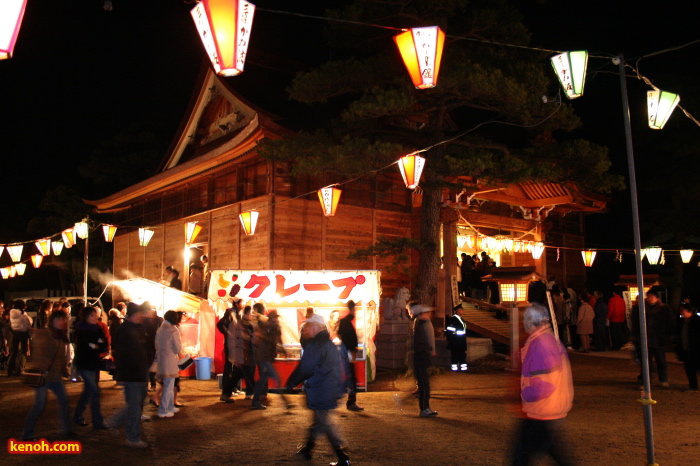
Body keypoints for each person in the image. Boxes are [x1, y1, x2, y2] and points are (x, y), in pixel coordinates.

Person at [511, 304, 574, 466]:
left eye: (525, 318)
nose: (523, 321)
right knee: (547, 448)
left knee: (523, 453)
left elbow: (545, 381)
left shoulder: (540, 343)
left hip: (542, 407)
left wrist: (525, 393)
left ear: (532, 321)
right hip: (548, 407)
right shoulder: (547, 338)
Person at [287, 314, 349, 466]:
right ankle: (307, 450)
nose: (307, 329)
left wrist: (291, 382)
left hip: (321, 388)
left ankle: (343, 457)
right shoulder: (327, 343)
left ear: (318, 327)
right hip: (328, 386)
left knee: (324, 423)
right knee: (319, 420)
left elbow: (306, 367)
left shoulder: (316, 344)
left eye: (310, 326)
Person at [22, 311, 75, 440]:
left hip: (55, 377)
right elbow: (36, 340)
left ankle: (66, 429)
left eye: (63, 319)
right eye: (58, 319)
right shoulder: (44, 333)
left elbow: (61, 357)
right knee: (39, 405)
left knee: (63, 401)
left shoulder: (62, 336)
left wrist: (63, 369)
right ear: (52, 321)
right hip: (43, 376)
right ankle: (27, 434)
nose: (61, 322)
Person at [107, 302, 150, 448]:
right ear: (133, 315)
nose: (142, 316)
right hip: (131, 374)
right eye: (140, 314)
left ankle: (112, 422)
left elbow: (144, 349)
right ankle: (132, 437)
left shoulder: (139, 328)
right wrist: (123, 372)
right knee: (134, 407)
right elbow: (121, 353)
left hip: (140, 372)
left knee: (136, 404)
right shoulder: (124, 330)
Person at [73, 306, 109, 429]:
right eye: (92, 316)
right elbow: (85, 347)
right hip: (84, 364)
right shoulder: (82, 330)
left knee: (88, 392)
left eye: (96, 315)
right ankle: (98, 422)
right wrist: (96, 345)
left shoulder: (98, 328)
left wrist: (96, 346)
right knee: (94, 391)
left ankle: (77, 417)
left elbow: (102, 344)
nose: (95, 318)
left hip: (94, 363)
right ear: (86, 317)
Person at [631, 288, 674, 388]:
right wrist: (635, 336)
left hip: (659, 339)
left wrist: (668, 336)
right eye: (648, 296)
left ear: (657, 298)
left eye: (652, 297)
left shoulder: (664, 309)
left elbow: (669, 324)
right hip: (645, 339)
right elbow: (635, 324)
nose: (650, 298)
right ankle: (647, 381)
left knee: (661, 360)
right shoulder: (640, 308)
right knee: (646, 362)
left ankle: (663, 379)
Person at [252, 304, 282, 410]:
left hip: (267, 358)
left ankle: (255, 401)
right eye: (275, 318)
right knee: (274, 378)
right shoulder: (267, 327)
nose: (277, 319)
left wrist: (281, 347)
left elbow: (278, 340)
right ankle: (286, 402)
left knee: (263, 380)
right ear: (272, 318)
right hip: (264, 358)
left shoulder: (274, 328)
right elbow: (267, 340)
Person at [155, 310, 185, 418]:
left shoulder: (160, 329)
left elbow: (156, 345)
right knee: (169, 386)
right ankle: (163, 410)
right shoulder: (173, 330)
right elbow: (177, 348)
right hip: (170, 360)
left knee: (169, 385)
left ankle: (170, 406)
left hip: (161, 360)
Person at [411, 304, 437, 417]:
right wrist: (430, 351)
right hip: (421, 357)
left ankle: (425, 408)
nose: (429, 315)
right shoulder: (421, 325)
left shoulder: (420, 324)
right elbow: (424, 342)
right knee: (424, 384)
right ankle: (424, 409)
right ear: (420, 314)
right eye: (426, 313)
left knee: (424, 383)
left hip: (421, 357)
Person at [338, 300, 364, 411]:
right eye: (355, 310)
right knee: (351, 378)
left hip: (347, 353)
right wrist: (351, 353)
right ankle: (350, 402)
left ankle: (349, 401)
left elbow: (340, 334)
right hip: (348, 353)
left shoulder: (345, 322)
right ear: (353, 310)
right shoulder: (345, 322)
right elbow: (347, 339)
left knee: (349, 378)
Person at [677, 303, 700, 391]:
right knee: (689, 367)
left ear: (688, 311)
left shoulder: (696, 321)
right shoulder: (682, 321)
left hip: (695, 349)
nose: (681, 312)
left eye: (682, 310)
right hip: (686, 348)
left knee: (694, 366)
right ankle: (693, 385)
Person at [8, 299, 32, 376]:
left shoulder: (12, 313)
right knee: (23, 352)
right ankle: (19, 369)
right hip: (23, 333)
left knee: (13, 351)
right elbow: (29, 323)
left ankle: (10, 370)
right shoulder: (23, 314)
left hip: (14, 332)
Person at [445, 304, 468, 372]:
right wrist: (450, 339)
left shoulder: (461, 319)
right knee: (455, 354)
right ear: (457, 311)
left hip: (461, 340)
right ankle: (454, 368)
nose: (462, 311)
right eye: (461, 310)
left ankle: (463, 367)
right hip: (455, 340)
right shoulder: (453, 319)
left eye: (462, 310)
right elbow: (449, 330)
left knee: (462, 354)